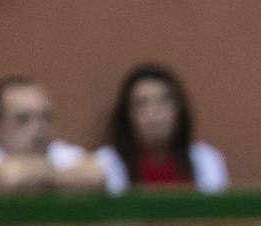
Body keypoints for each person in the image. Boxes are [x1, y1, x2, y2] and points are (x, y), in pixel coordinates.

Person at [0, 75, 106, 196]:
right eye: (23, 119)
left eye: (45, 117)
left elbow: (96, 176)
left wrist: (34, 178)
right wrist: (63, 178)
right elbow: (7, 180)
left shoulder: (60, 152)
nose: (39, 127)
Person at [94, 63, 229, 195]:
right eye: (142, 104)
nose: (154, 113)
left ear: (179, 110)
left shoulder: (205, 160)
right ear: (128, 115)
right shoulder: (107, 163)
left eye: (164, 101)